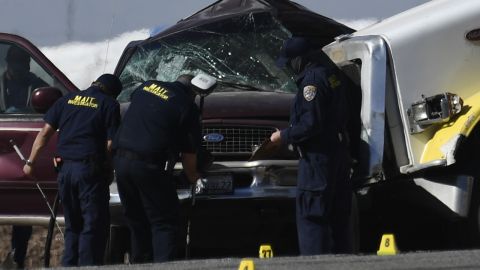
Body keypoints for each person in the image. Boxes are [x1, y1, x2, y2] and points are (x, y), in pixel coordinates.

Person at [22, 74, 122, 266]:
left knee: (72, 224)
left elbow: (44, 134)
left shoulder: (66, 100)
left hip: (65, 170)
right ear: (112, 92)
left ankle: (68, 265)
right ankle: (87, 265)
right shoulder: (109, 104)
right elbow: (110, 144)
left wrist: (30, 162)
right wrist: (109, 168)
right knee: (92, 224)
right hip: (89, 171)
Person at [270, 37, 354, 255]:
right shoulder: (331, 74)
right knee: (338, 216)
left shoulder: (312, 81)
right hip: (338, 152)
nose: (289, 67)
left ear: (300, 59)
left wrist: (283, 136)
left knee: (312, 215)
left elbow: (311, 123)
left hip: (318, 158)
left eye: (290, 62)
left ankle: (312, 263)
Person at [113, 74, 202, 263]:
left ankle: (139, 264)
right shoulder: (187, 105)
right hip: (148, 165)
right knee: (164, 222)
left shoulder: (147, 86)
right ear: (193, 92)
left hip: (120, 162)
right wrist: (194, 177)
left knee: (137, 219)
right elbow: (189, 154)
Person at [0, 45, 48, 113]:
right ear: (8, 63)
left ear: (28, 65)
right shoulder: (1, 85)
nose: (17, 66)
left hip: (30, 122)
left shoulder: (38, 86)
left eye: (21, 61)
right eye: (14, 60)